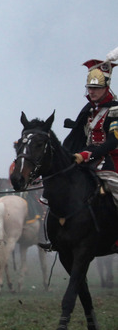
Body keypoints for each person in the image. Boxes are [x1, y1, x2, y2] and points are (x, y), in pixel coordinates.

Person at [62, 49, 118, 251]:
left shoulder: (115, 110)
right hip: (89, 157)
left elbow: (112, 143)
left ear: (106, 87)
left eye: (96, 88)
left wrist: (86, 154)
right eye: (89, 88)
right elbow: (85, 136)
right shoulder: (90, 110)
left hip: (113, 160)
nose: (91, 92)